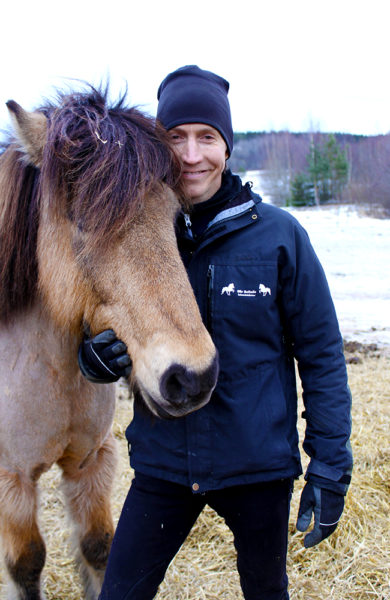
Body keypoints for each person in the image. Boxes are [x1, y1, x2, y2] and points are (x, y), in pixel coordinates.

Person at [78, 65, 353, 600]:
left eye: (206, 137)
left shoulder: (279, 237)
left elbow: (322, 356)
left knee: (266, 593)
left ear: (227, 146)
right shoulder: (134, 235)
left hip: (257, 467)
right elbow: (97, 316)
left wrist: (330, 468)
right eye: (173, 137)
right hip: (164, 464)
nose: (190, 154)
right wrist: (93, 358)